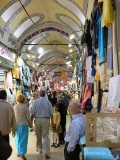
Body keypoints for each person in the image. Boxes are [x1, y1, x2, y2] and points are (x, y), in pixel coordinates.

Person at [30, 90, 54, 159]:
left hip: (37, 119)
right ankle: (46, 151)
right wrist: (52, 122)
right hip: (46, 119)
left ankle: (40, 149)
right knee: (46, 136)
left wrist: (31, 121)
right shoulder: (48, 102)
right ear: (45, 94)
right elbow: (51, 114)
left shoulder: (35, 102)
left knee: (38, 135)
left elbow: (33, 113)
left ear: (39, 95)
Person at [13, 94, 32, 160]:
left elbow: (13, 117)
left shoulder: (15, 106)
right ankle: (22, 153)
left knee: (17, 138)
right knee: (23, 139)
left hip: (16, 124)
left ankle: (18, 151)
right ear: (24, 99)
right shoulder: (25, 107)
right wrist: (30, 124)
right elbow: (28, 117)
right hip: (24, 125)